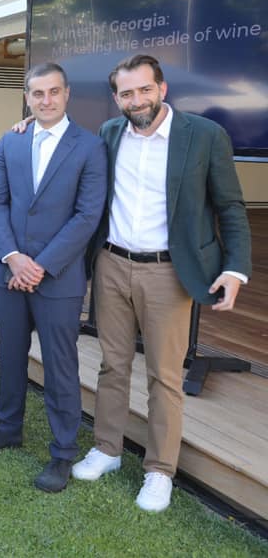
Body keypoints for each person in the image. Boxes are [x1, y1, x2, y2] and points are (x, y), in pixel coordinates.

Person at [71, 54, 251, 512]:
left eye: (144, 90)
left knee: (165, 376)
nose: (137, 100)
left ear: (162, 89)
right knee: (112, 365)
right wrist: (28, 126)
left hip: (169, 272)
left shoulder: (204, 135)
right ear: (116, 98)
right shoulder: (109, 133)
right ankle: (107, 449)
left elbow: (230, 207)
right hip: (111, 264)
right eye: (126, 93)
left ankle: (159, 470)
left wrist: (235, 269)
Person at [0, 63, 107, 495]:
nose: (46, 100)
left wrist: (40, 265)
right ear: (27, 98)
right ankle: (8, 429)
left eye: (53, 92)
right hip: (8, 272)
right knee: (9, 357)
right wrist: (13, 258)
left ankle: (63, 452)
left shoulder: (90, 147)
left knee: (60, 368)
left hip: (58, 279)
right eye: (37, 93)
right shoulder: (11, 140)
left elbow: (87, 216)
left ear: (67, 94)